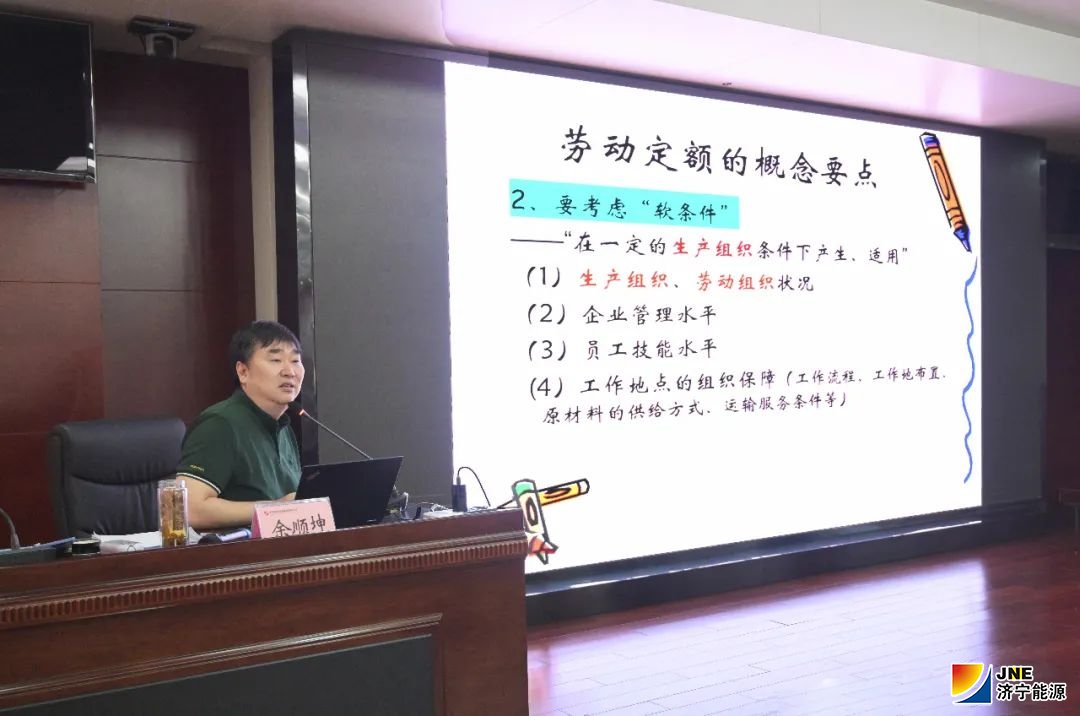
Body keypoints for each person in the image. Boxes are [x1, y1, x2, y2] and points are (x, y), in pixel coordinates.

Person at [175, 321, 305, 530]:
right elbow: (189, 510)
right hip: (236, 550)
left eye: (296, 360)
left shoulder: (282, 427)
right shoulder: (220, 424)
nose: (290, 371)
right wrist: (276, 508)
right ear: (243, 371)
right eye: (275, 360)